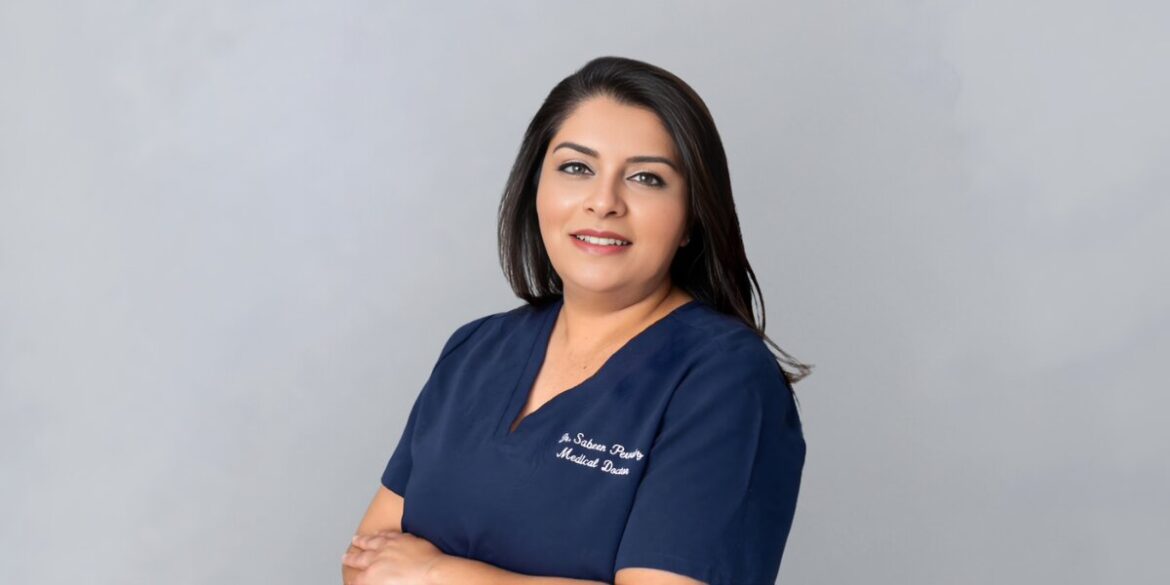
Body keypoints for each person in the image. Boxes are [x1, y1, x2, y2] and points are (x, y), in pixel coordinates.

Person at [342, 55, 811, 585]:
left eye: (646, 178)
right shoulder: (475, 350)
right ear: (535, 187)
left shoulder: (723, 381)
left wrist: (436, 574)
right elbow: (365, 565)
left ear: (690, 219)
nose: (603, 202)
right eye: (576, 168)